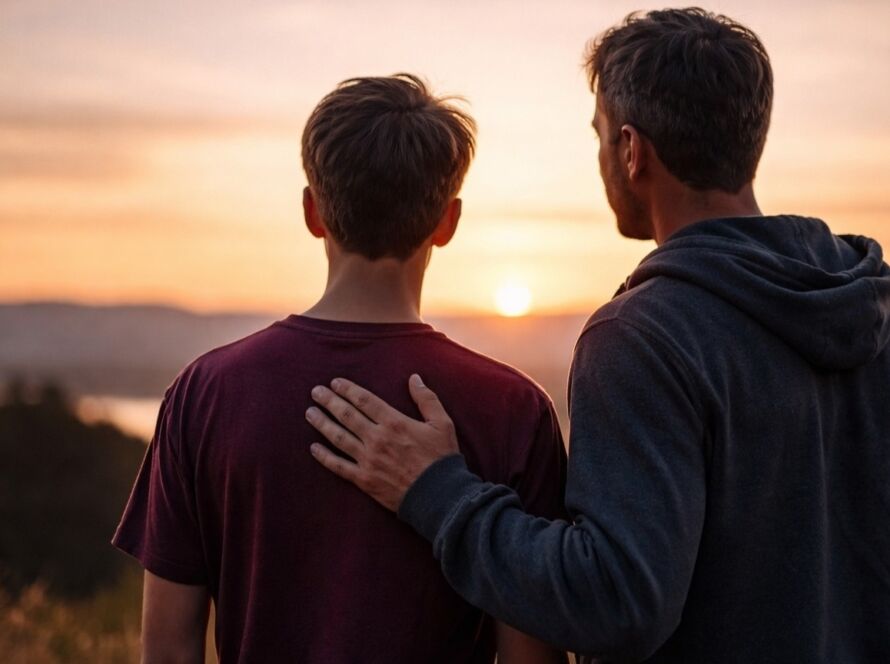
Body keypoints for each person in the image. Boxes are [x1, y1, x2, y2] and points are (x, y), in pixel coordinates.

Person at [305, 9, 890, 663]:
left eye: (601, 135)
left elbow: (617, 601)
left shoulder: (644, 337)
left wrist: (436, 492)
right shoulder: (869, 307)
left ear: (633, 151)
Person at [112, 74, 568, 664]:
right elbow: (532, 657)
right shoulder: (514, 410)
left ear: (312, 211)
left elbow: (169, 648)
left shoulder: (205, 394)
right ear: (447, 222)